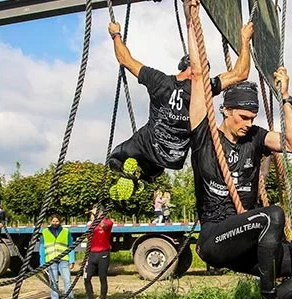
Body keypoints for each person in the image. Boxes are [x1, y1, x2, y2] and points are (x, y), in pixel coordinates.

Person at [185, 1, 292, 299]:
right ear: (226, 111)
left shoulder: (257, 138)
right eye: (244, 116)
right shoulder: (205, 136)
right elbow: (200, 75)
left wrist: (286, 97)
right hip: (217, 239)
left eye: (253, 117)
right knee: (271, 216)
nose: (249, 123)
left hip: (250, 240)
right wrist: (192, 16)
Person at [106, 4, 254, 201]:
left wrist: (116, 35)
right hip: (171, 159)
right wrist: (245, 41)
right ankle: (141, 177)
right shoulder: (203, 89)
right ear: (191, 69)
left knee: (115, 158)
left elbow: (125, 59)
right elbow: (240, 74)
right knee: (153, 171)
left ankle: (132, 177)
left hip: (147, 146)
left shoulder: (159, 81)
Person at [40, 214, 77, 299]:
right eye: (53, 221)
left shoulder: (66, 232)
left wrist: (72, 260)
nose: (55, 223)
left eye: (57, 221)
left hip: (64, 259)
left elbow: (71, 246)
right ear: (50, 222)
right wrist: (42, 263)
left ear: (60, 222)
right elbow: (42, 249)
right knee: (53, 282)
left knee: (67, 280)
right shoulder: (45, 232)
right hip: (51, 260)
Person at [84, 207, 114, 299]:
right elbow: (88, 236)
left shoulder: (108, 222)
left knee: (102, 278)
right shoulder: (91, 223)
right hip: (92, 254)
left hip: (103, 253)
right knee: (86, 278)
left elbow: (104, 226)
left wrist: (97, 217)